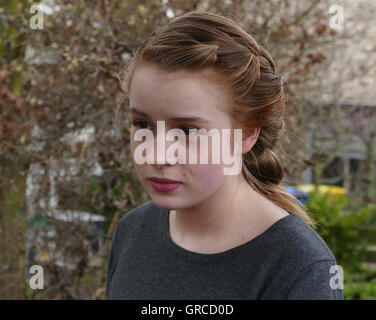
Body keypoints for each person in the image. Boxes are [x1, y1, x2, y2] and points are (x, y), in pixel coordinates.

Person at [106, 11, 344, 300]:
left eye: (188, 131)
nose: (156, 154)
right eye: (142, 125)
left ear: (247, 133)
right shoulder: (132, 233)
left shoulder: (298, 266)